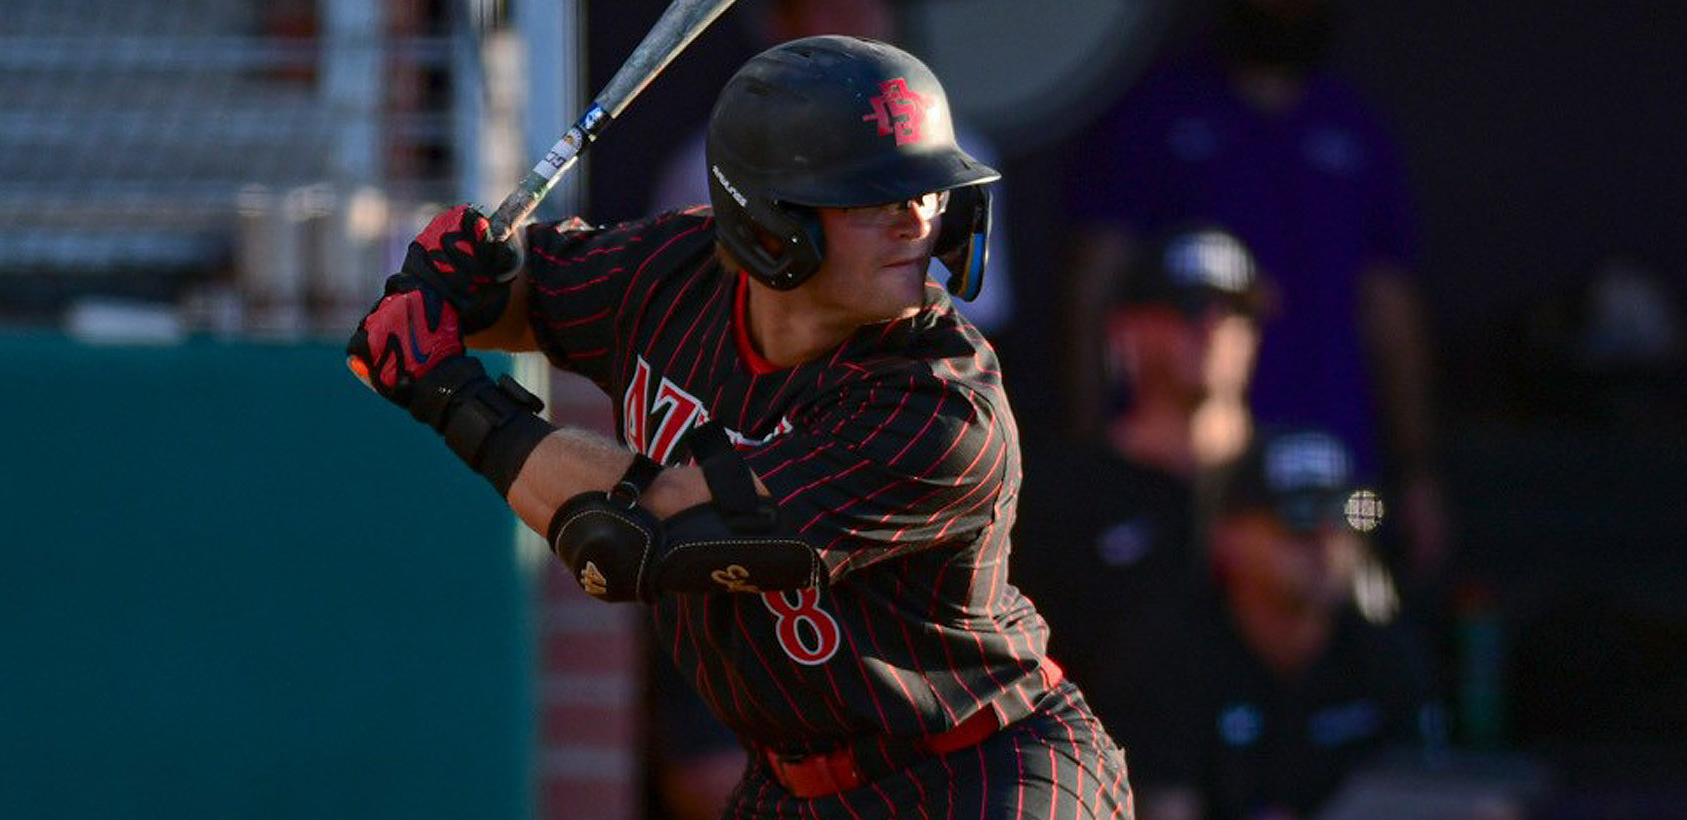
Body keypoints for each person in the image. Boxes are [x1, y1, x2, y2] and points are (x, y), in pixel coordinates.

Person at [344, 35, 1131, 820]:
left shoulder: (943, 408)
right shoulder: (677, 271)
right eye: (873, 198)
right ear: (769, 222)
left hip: (982, 767)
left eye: (927, 193)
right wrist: (462, 279)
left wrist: (454, 397)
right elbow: (525, 294)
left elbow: (641, 537)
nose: (916, 223)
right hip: (796, 785)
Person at [1062, 0, 1449, 587]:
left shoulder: (1356, 125)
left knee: (1334, 616)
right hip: (1184, 474)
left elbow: (1391, 308)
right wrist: (1087, 447)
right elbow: (1093, 289)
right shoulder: (1157, 114)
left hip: (1334, 466)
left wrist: (1417, 469)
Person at [1013, 226, 1265, 744]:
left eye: (1235, 310)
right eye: (1187, 307)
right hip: (1107, 769)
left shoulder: (1293, 488)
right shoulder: (1061, 499)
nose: (1212, 327)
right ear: (1124, 332)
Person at [1120, 427, 1444, 820]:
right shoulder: (1171, 658)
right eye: (1301, 516)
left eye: (1344, 514)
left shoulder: (1385, 651)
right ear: (1227, 537)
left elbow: (1425, 794)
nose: (1327, 537)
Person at [648, 0, 1016, 337]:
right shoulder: (712, 160)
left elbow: (974, 321)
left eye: (869, 5)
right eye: (828, 6)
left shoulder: (955, 148)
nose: (853, 19)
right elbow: (684, 319)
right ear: (779, 23)